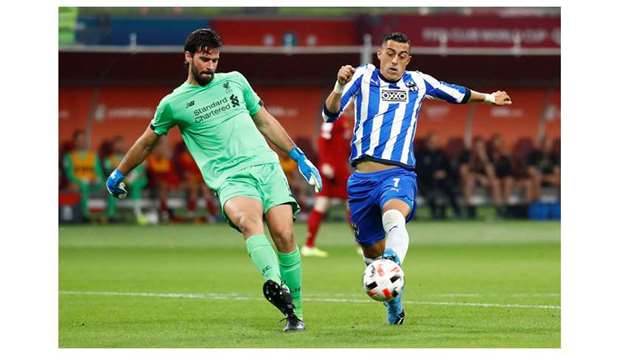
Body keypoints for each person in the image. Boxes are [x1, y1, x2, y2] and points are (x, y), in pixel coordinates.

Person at [105, 28, 321, 332]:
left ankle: (295, 313)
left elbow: (265, 120)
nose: (210, 66)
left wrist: (298, 156)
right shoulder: (173, 103)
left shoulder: (235, 81)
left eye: (215, 60)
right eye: (205, 59)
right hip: (232, 178)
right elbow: (146, 142)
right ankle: (274, 283)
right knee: (249, 222)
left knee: (285, 235)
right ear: (188, 57)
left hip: (267, 167)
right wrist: (119, 172)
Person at [322, 32, 512, 325]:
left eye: (402, 55)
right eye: (390, 53)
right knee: (371, 249)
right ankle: (393, 300)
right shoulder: (361, 77)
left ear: (408, 60)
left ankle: (394, 263)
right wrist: (338, 86)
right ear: (379, 54)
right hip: (361, 180)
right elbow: (329, 114)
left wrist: (489, 97)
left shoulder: (418, 82)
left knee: (393, 217)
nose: (395, 60)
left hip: (398, 173)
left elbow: (455, 92)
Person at [303, 112, 353, 257]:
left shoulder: (347, 121)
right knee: (324, 204)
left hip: (341, 170)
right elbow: (322, 141)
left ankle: (363, 243)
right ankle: (309, 245)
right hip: (330, 170)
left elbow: (344, 147)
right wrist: (325, 163)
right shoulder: (333, 119)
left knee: (352, 206)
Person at [103, 136, 149, 224]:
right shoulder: (109, 159)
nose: (119, 146)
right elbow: (109, 171)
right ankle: (111, 215)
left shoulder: (129, 156)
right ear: (113, 146)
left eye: (121, 144)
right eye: (117, 145)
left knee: (136, 183)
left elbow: (139, 167)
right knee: (112, 186)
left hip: (131, 183)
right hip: (119, 183)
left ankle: (137, 213)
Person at [416, 132, 462, 219]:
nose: (434, 144)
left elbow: (449, 169)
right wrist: (432, 174)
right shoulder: (420, 154)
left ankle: (457, 212)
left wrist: (444, 173)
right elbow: (418, 170)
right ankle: (435, 213)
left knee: (450, 189)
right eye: (432, 142)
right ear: (427, 142)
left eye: (436, 142)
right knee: (431, 191)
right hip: (426, 182)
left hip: (442, 182)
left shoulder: (441, 154)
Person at [62, 130, 105, 223]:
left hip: (93, 184)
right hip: (79, 183)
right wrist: (82, 181)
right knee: (83, 187)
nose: (82, 142)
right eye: (80, 140)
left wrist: (97, 180)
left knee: (110, 186)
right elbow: (69, 175)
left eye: (84, 140)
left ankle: (109, 216)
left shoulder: (93, 156)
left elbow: (99, 173)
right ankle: (86, 215)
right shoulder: (69, 157)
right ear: (75, 142)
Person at [458, 137, 502, 218]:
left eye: (481, 147)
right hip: (469, 181)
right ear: (473, 147)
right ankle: (469, 210)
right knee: (470, 180)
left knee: (495, 182)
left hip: (485, 182)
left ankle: (499, 211)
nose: (478, 149)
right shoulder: (466, 155)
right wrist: (479, 177)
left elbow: (492, 175)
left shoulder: (488, 156)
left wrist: (484, 158)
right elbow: (463, 174)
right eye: (477, 147)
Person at [527, 136, 560, 201]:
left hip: (548, 178)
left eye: (549, 145)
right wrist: (539, 176)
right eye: (545, 145)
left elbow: (557, 172)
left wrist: (544, 177)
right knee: (536, 179)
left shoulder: (554, 156)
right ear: (541, 145)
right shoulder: (534, 155)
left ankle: (557, 204)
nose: (547, 147)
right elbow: (530, 170)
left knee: (558, 179)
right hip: (537, 178)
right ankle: (538, 203)